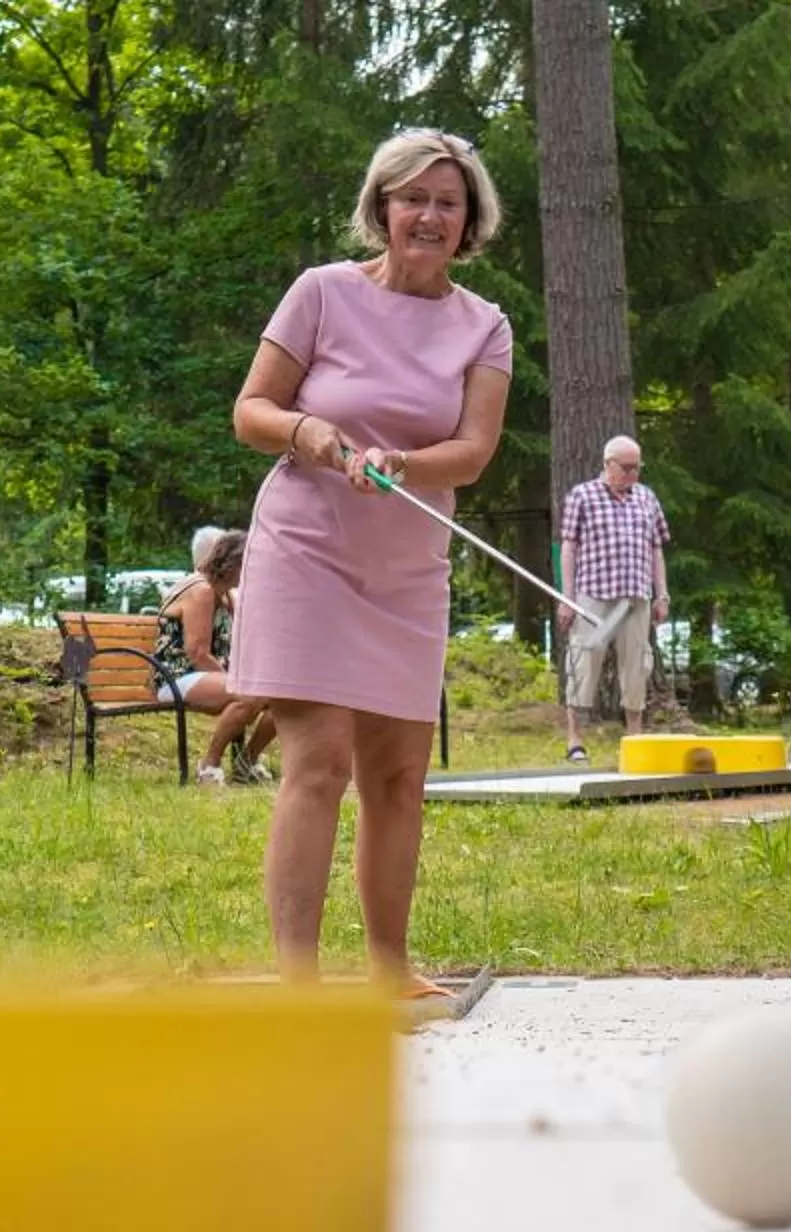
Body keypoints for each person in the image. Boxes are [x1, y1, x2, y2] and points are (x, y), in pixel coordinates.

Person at [228, 128, 513, 995]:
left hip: (407, 563)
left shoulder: (484, 326)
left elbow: (471, 451)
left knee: (399, 773)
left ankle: (392, 967)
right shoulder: (320, 293)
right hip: (307, 546)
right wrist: (310, 433)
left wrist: (405, 466)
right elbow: (252, 411)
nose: (429, 215)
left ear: (469, 223)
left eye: (448, 202)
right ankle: (300, 983)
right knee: (320, 761)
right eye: (413, 199)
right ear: (381, 209)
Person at [556, 434, 670, 762]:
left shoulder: (647, 498)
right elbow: (568, 546)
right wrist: (568, 597)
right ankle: (575, 739)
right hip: (593, 593)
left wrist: (662, 593)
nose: (634, 474)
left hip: (636, 596)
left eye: (638, 468)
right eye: (627, 468)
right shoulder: (583, 495)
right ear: (608, 465)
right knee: (583, 659)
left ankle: (634, 736)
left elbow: (656, 548)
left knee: (636, 663)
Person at [154, 525, 279, 786]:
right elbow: (196, 652)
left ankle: (246, 762)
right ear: (233, 564)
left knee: (283, 696)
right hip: (176, 676)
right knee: (248, 693)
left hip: (205, 676)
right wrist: (236, 681)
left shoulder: (224, 595)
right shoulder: (201, 590)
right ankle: (208, 766)